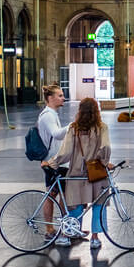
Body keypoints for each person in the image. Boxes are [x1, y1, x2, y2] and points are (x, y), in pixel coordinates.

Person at [44, 96, 112, 251]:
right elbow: (106, 148)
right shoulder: (102, 127)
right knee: (98, 204)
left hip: (77, 173)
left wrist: (52, 163)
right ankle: (95, 239)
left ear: (80, 111)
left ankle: (67, 236)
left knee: (74, 203)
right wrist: (105, 162)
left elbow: (66, 153)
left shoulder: (73, 128)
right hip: (97, 172)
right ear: (97, 111)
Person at [38, 84, 71, 243]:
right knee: (54, 195)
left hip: (57, 161)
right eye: (60, 95)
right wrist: (73, 124)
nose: (63, 98)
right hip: (53, 163)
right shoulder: (47, 115)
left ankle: (62, 228)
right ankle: (51, 229)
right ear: (50, 98)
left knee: (60, 195)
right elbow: (57, 135)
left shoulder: (52, 114)